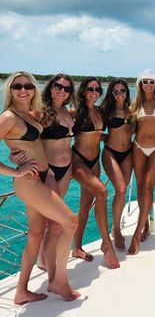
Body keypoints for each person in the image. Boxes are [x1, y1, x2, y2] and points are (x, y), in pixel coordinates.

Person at [0, 71, 79, 303]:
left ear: (34, 89)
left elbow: (35, 142)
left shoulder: (27, 113)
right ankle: (59, 281)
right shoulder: (8, 117)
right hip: (29, 181)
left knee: (35, 234)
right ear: (10, 90)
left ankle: (21, 291)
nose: (23, 90)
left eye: (28, 85)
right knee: (70, 222)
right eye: (17, 86)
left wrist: (18, 155)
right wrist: (15, 170)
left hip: (43, 175)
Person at [71, 77, 119, 268]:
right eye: (90, 88)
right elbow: (54, 127)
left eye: (97, 89)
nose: (94, 92)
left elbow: (98, 135)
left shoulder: (99, 111)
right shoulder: (75, 113)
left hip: (94, 161)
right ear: (83, 91)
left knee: (85, 204)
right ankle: (106, 243)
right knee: (102, 192)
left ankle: (77, 247)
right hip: (78, 160)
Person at [37, 74, 76, 270]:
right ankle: (46, 262)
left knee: (53, 218)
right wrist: (16, 155)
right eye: (59, 86)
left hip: (66, 170)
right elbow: (24, 136)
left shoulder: (69, 112)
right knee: (57, 219)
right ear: (51, 87)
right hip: (50, 171)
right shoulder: (41, 112)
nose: (62, 90)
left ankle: (43, 260)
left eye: (67, 88)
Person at [127, 69, 155, 255]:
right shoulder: (135, 104)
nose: (148, 85)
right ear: (140, 84)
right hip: (139, 147)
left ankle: (136, 233)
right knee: (140, 186)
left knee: (149, 186)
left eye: (152, 82)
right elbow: (127, 128)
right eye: (145, 82)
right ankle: (146, 226)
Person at [101, 79, 133, 251]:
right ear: (111, 94)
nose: (119, 94)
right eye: (115, 92)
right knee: (120, 189)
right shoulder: (105, 111)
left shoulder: (131, 110)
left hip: (128, 154)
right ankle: (116, 229)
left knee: (122, 190)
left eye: (123, 91)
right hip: (111, 153)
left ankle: (116, 226)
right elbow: (91, 125)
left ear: (127, 93)